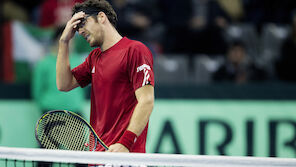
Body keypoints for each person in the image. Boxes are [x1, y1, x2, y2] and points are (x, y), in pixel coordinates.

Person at [56, 0, 155, 153]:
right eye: (76, 28)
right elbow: (64, 84)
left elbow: (146, 101)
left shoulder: (135, 50)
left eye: (82, 23)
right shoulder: (93, 58)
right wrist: (64, 41)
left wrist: (125, 143)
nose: (80, 31)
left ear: (101, 17)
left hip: (125, 157)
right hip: (98, 156)